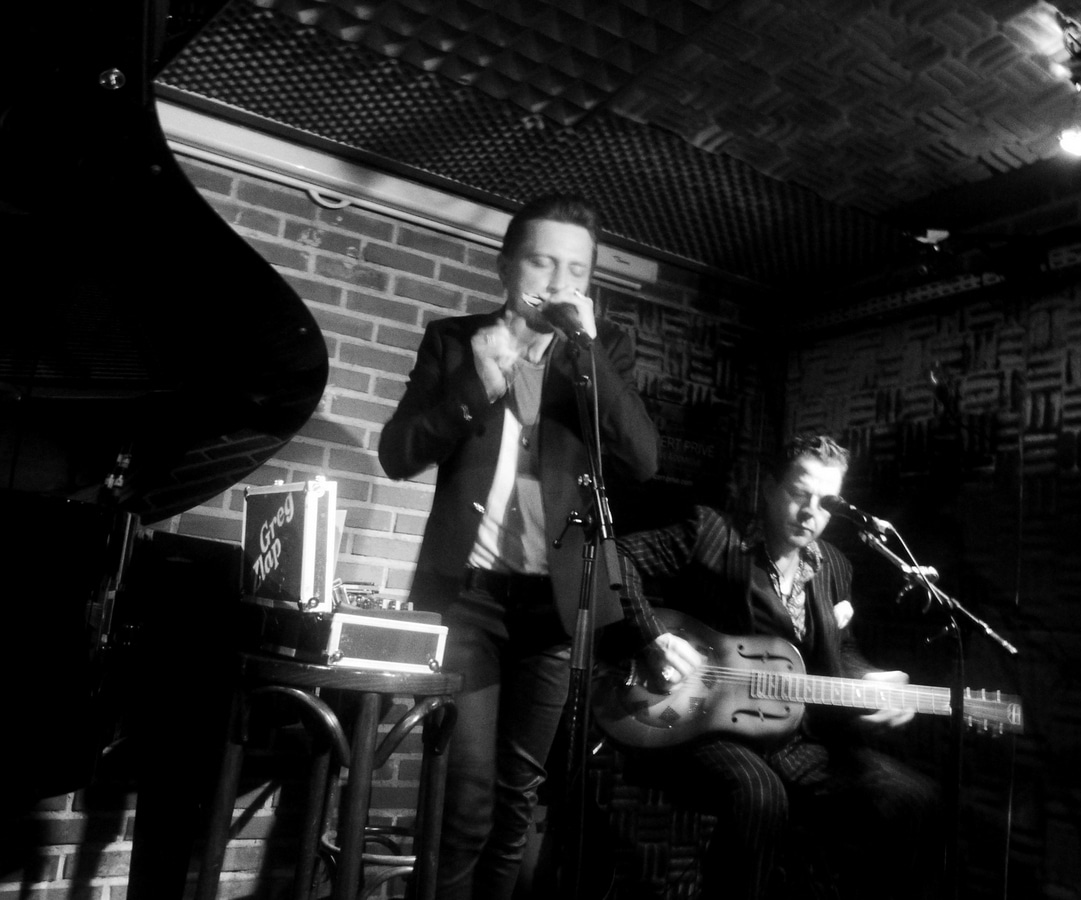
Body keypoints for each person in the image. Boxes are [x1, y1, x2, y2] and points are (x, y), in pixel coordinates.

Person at [377, 193, 659, 900]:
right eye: (542, 263)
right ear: (506, 266)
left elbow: (642, 458)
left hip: (556, 608)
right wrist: (478, 384)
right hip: (470, 599)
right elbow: (398, 452)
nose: (559, 283)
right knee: (465, 803)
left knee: (515, 807)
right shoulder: (453, 340)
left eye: (577, 270)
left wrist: (586, 349)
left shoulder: (601, 348)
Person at [608, 432, 940, 900]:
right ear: (768, 487)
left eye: (825, 502)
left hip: (794, 739)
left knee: (914, 801)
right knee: (759, 795)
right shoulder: (712, 534)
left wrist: (867, 679)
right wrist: (652, 637)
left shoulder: (834, 567)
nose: (810, 512)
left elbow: (839, 651)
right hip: (703, 723)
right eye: (799, 494)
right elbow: (616, 558)